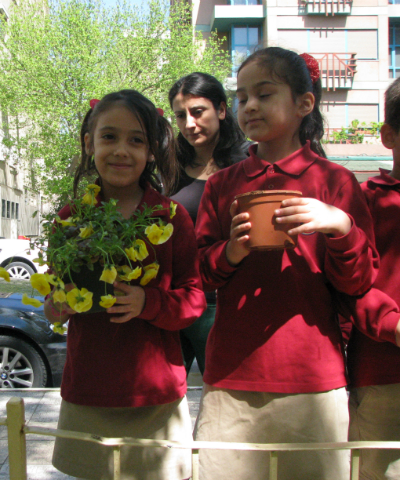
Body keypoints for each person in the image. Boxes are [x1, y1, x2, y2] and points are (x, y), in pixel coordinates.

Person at [194, 47, 378, 480]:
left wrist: (340, 227)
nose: (250, 106)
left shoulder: (334, 181)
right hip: (231, 376)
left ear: (304, 103)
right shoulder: (222, 185)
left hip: (312, 378)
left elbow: (358, 282)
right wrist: (231, 251)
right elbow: (200, 273)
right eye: (242, 97)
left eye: (264, 93)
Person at [46, 90, 207, 480]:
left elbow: (194, 299)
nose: (121, 150)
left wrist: (146, 303)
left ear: (152, 150)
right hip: (89, 389)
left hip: (155, 398)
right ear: (89, 144)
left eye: (136, 140)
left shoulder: (170, 217)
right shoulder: (70, 218)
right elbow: (54, 303)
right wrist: (59, 306)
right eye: (109, 137)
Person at [167, 72, 247, 378]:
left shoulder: (246, 164)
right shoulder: (169, 164)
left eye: (198, 112)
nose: (189, 123)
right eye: (180, 115)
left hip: (222, 304)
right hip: (174, 300)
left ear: (222, 110)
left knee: (226, 395)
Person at [345, 77, 400, 479]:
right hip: (383, 375)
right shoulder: (367, 199)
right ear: (388, 136)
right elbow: (350, 283)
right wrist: (393, 325)